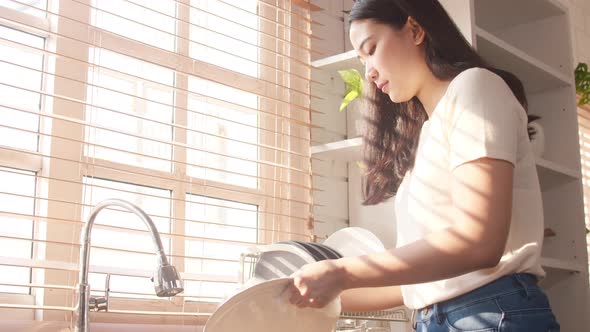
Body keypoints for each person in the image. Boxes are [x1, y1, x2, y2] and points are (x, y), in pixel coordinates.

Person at [287, 0, 561, 331]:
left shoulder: (475, 87)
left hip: (489, 313)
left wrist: (343, 270)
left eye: (371, 49)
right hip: (439, 319)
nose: (368, 72)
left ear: (415, 29)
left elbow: (480, 241)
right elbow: (413, 286)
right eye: (361, 61)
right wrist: (293, 296)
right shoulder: (428, 135)